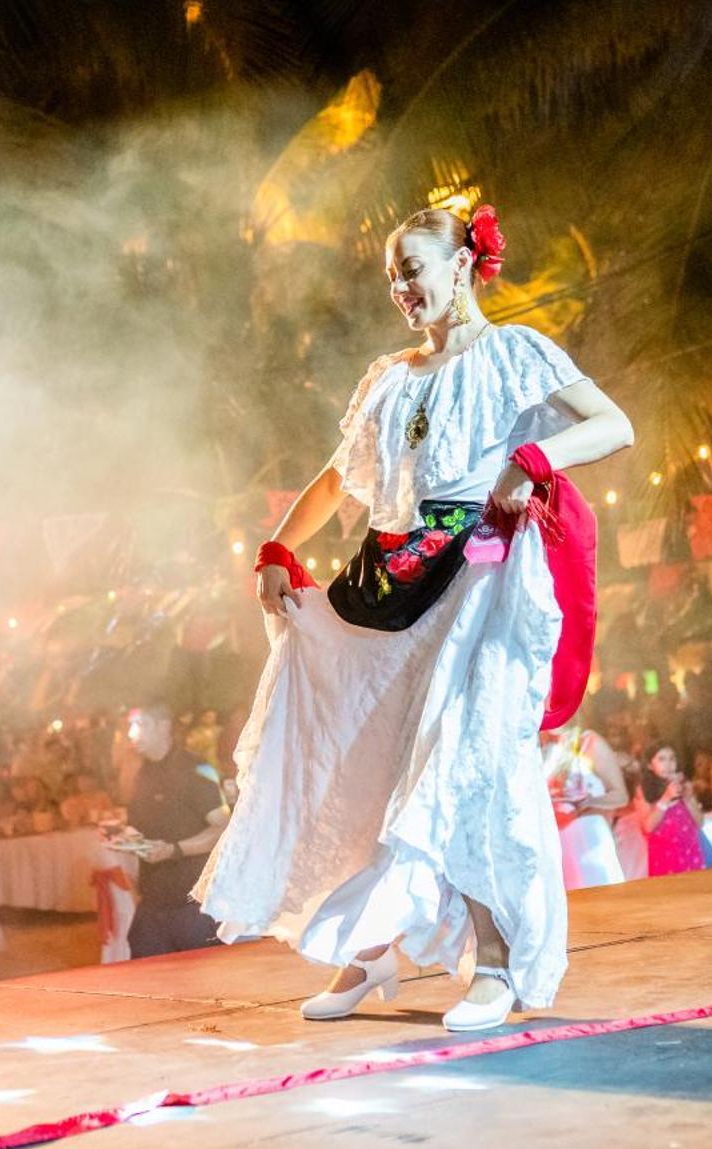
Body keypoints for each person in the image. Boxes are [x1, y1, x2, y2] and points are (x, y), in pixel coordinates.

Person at [196, 202, 634, 1031]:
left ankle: (497, 962)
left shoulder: (516, 353)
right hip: (392, 582)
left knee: (463, 765)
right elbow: (337, 480)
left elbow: (614, 425)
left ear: (464, 263)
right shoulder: (388, 378)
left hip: (482, 582)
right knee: (370, 766)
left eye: (414, 269)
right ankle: (369, 954)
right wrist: (276, 550)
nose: (401, 286)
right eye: (392, 275)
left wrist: (533, 459)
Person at [121, 703, 227, 958]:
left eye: (140, 725)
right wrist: (126, 838)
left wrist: (175, 850)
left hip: (194, 906)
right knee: (148, 986)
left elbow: (223, 828)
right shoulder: (142, 773)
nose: (132, 734)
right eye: (130, 726)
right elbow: (143, 827)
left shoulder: (195, 769)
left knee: (206, 988)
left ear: (163, 726)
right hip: (154, 901)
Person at [541, 724, 630, 890]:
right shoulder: (531, 747)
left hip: (589, 839)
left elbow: (620, 796)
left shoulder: (588, 741)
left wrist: (589, 802)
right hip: (552, 846)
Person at [636, 744, 706, 875]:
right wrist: (666, 798)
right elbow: (648, 827)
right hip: (664, 856)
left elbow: (700, 823)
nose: (668, 764)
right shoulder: (644, 790)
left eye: (672, 759)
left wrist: (688, 799)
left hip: (690, 851)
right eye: (661, 759)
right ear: (650, 765)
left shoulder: (684, 784)